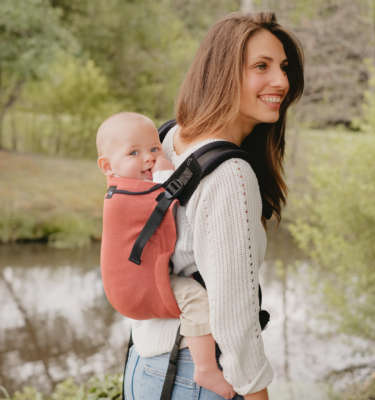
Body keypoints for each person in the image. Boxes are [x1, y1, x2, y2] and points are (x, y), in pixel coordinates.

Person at [123, 12, 304, 400]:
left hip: (144, 365)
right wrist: (257, 394)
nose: (282, 82)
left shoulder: (167, 139)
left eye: (284, 68)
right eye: (262, 66)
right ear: (223, 72)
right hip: (199, 377)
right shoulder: (230, 175)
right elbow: (235, 318)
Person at [96, 112, 237, 399]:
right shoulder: (124, 198)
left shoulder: (123, 190)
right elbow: (165, 201)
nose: (148, 158)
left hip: (139, 287)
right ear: (108, 166)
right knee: (196, 300)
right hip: (140, 286)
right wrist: (164, 172)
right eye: (134, 153)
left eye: (154, 149)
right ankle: (205, 367)